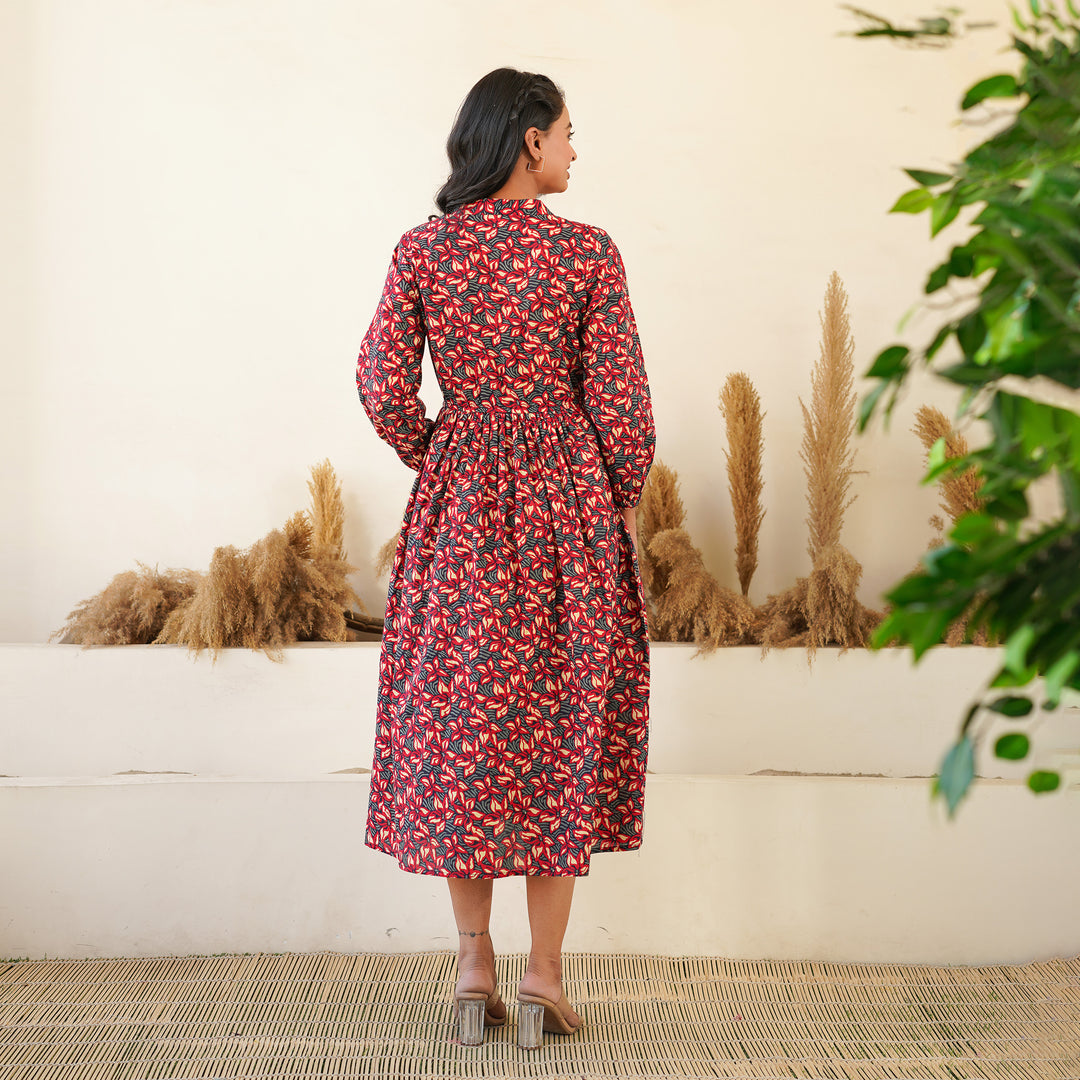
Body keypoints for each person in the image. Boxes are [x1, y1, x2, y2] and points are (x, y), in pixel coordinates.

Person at [355, 67, 656, 1048]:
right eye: (569, 131)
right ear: (528, 139)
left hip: (462, 511)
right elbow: (624, 410)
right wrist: (612, 501)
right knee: (561, 725)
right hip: (566, 502)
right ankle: (544, 978)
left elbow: (379, 380)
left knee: (465, 730)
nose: (575, 148)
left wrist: (439, 448)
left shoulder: (424, 251)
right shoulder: (587, 255)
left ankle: (472, 967)